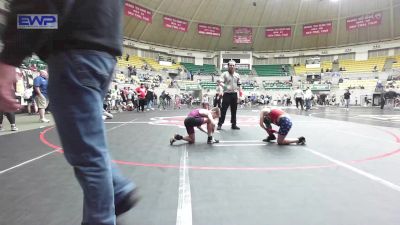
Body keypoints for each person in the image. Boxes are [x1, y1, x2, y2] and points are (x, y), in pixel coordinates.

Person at [0, 1, 138, 225]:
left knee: (86, 155)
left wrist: (10, 57)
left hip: (73, 51)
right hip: (104, 51)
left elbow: (41, 5)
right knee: (87, 144)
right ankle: (117, 189)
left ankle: (104, 214)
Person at [217, 60, 241, 130]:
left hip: (234, 94)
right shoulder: (224, 74)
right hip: (227, 94)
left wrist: (240, 95)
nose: (232, 66)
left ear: (235, 66)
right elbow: (219, 82)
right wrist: (225, 87)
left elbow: (239, 85)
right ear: (228, 66)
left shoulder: (237, 75)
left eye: (233, 65)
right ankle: (220, 124)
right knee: (223, 110)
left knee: (234, 110)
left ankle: (234, 124)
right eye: (230, 65)